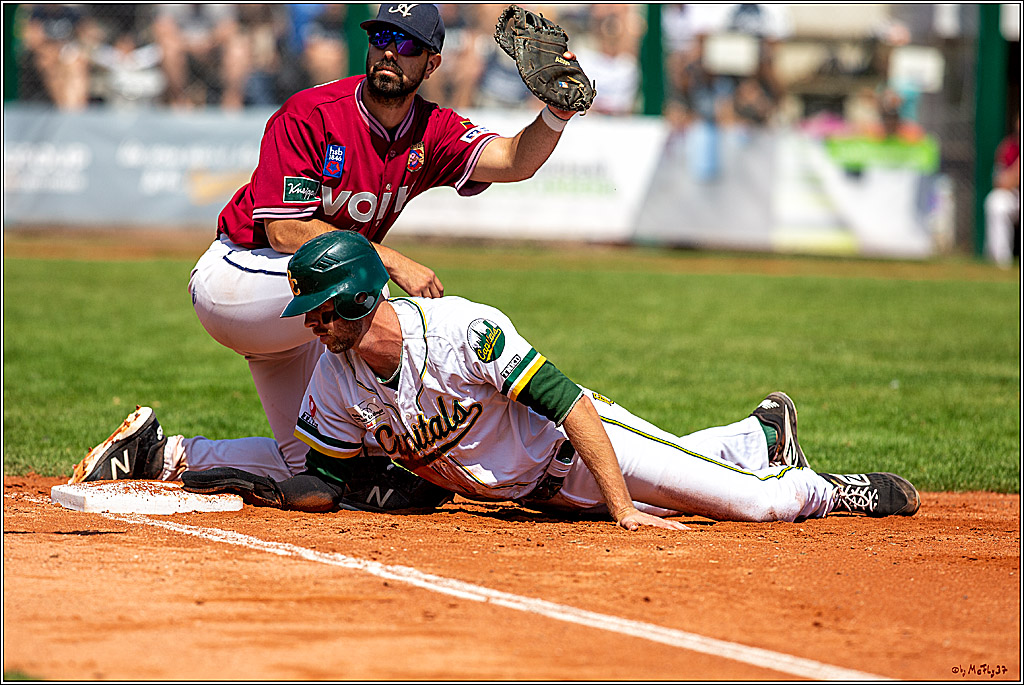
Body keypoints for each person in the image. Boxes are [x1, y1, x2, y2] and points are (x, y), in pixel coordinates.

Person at [73, 232, 921, 531]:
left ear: (358, 299)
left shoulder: (462, 330)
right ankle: (757, 433)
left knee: (752, 506)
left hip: (582, 450)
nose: (311, 328)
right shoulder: (333, 384)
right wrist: (247, 483)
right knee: (690, 481)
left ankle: (824, 486)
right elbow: (321, 484)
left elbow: (569, 401)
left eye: (321, 312)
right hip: (536, 496)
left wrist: (623, 508)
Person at [71, 3, 588, 487]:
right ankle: (415, 442)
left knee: (309, 464)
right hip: (239, 276)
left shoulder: (432, 130)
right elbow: (284, 230)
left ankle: (160, 454)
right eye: (382, 36)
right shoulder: (313, 113)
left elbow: (513, 161)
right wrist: (389, 259)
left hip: (298, 309)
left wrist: (555, 115)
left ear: (432, 64)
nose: (390, 50)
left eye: (407, 44)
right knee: (364, 295)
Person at [984, 118, 1020, 268]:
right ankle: (1000, 261)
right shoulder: (1009, 147)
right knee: (996, 202)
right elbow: (1001, 183)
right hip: (1015, 196)